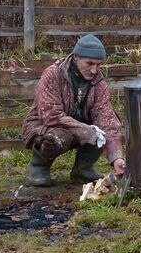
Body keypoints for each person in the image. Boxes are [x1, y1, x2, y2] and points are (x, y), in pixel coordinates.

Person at [21, 33, 127, 187]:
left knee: (109, 120)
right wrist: (87, 131)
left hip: (78, 124)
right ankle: (39, 168)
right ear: (76, 57)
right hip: (44, 126)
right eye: (89, 63)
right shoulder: (53, 74)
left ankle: (83, 168)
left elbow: (106, 119)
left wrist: (116, 157)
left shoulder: (99, 83)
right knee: (57, 136)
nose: (94, 70)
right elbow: (51, 116)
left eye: (98, 65)